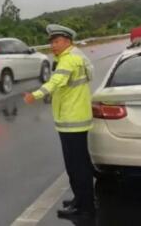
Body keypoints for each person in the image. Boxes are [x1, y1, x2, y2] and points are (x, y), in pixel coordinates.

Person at [23, 24, 95, 218]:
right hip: (74, 118)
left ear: (68, 42)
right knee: (79, 163)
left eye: (57, 42)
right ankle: (80, 199)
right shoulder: (74, 57)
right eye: (51, 42)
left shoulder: (68, 61)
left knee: (76, 165)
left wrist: (34, 95)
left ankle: (84, 208)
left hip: (72, 120)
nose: (53, 46)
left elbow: (54, 84)